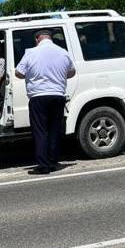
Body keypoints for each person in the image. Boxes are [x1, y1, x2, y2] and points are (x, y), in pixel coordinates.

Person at [15, 30, 76, 174]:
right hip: (58, 95)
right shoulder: (63, 52)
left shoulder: (31, 53)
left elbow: (19, 73)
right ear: (50, 38)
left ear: (37, 39)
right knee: (54, 130)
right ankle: (53, 162)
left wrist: (32, 74)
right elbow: (72, 72)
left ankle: (43, 165)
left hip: (38, 96)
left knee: (40, 131)